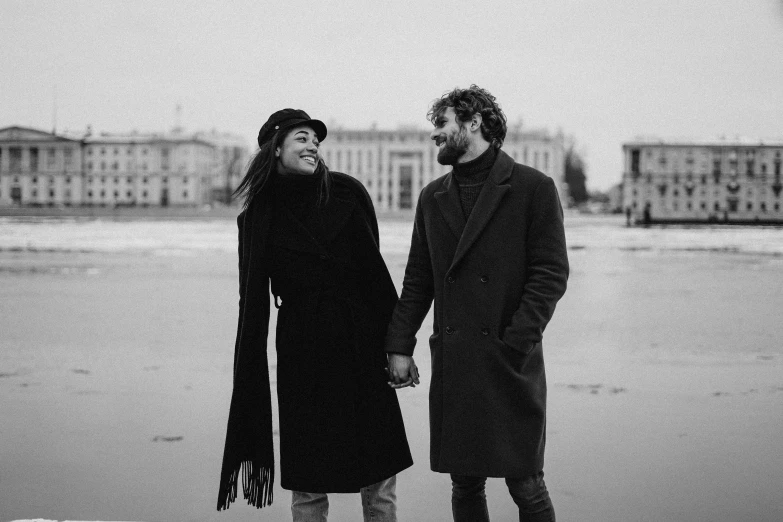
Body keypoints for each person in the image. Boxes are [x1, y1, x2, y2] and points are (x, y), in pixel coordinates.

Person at [217, 109, 413, 521]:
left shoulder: (348, 192)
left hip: (361, 342)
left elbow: (375, 277)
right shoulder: (258, 216)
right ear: (276, 150)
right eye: (302, 139)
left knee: (378, 480)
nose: (312, 147)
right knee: (308, 483)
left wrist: (398, 347)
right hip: (303, 351)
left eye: (315, 141)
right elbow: (251, 302)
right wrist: (249, 377)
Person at [385, 86, 569, 522]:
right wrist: (399, 345)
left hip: (508, 359)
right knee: (465, 482)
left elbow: (551, 273)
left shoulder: (532, 188)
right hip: (458, 359)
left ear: (474, 123)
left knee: (526, 482)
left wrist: (518, 340)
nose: (435, 136)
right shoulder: (433, 197)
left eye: (442, 125)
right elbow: (419, 278)